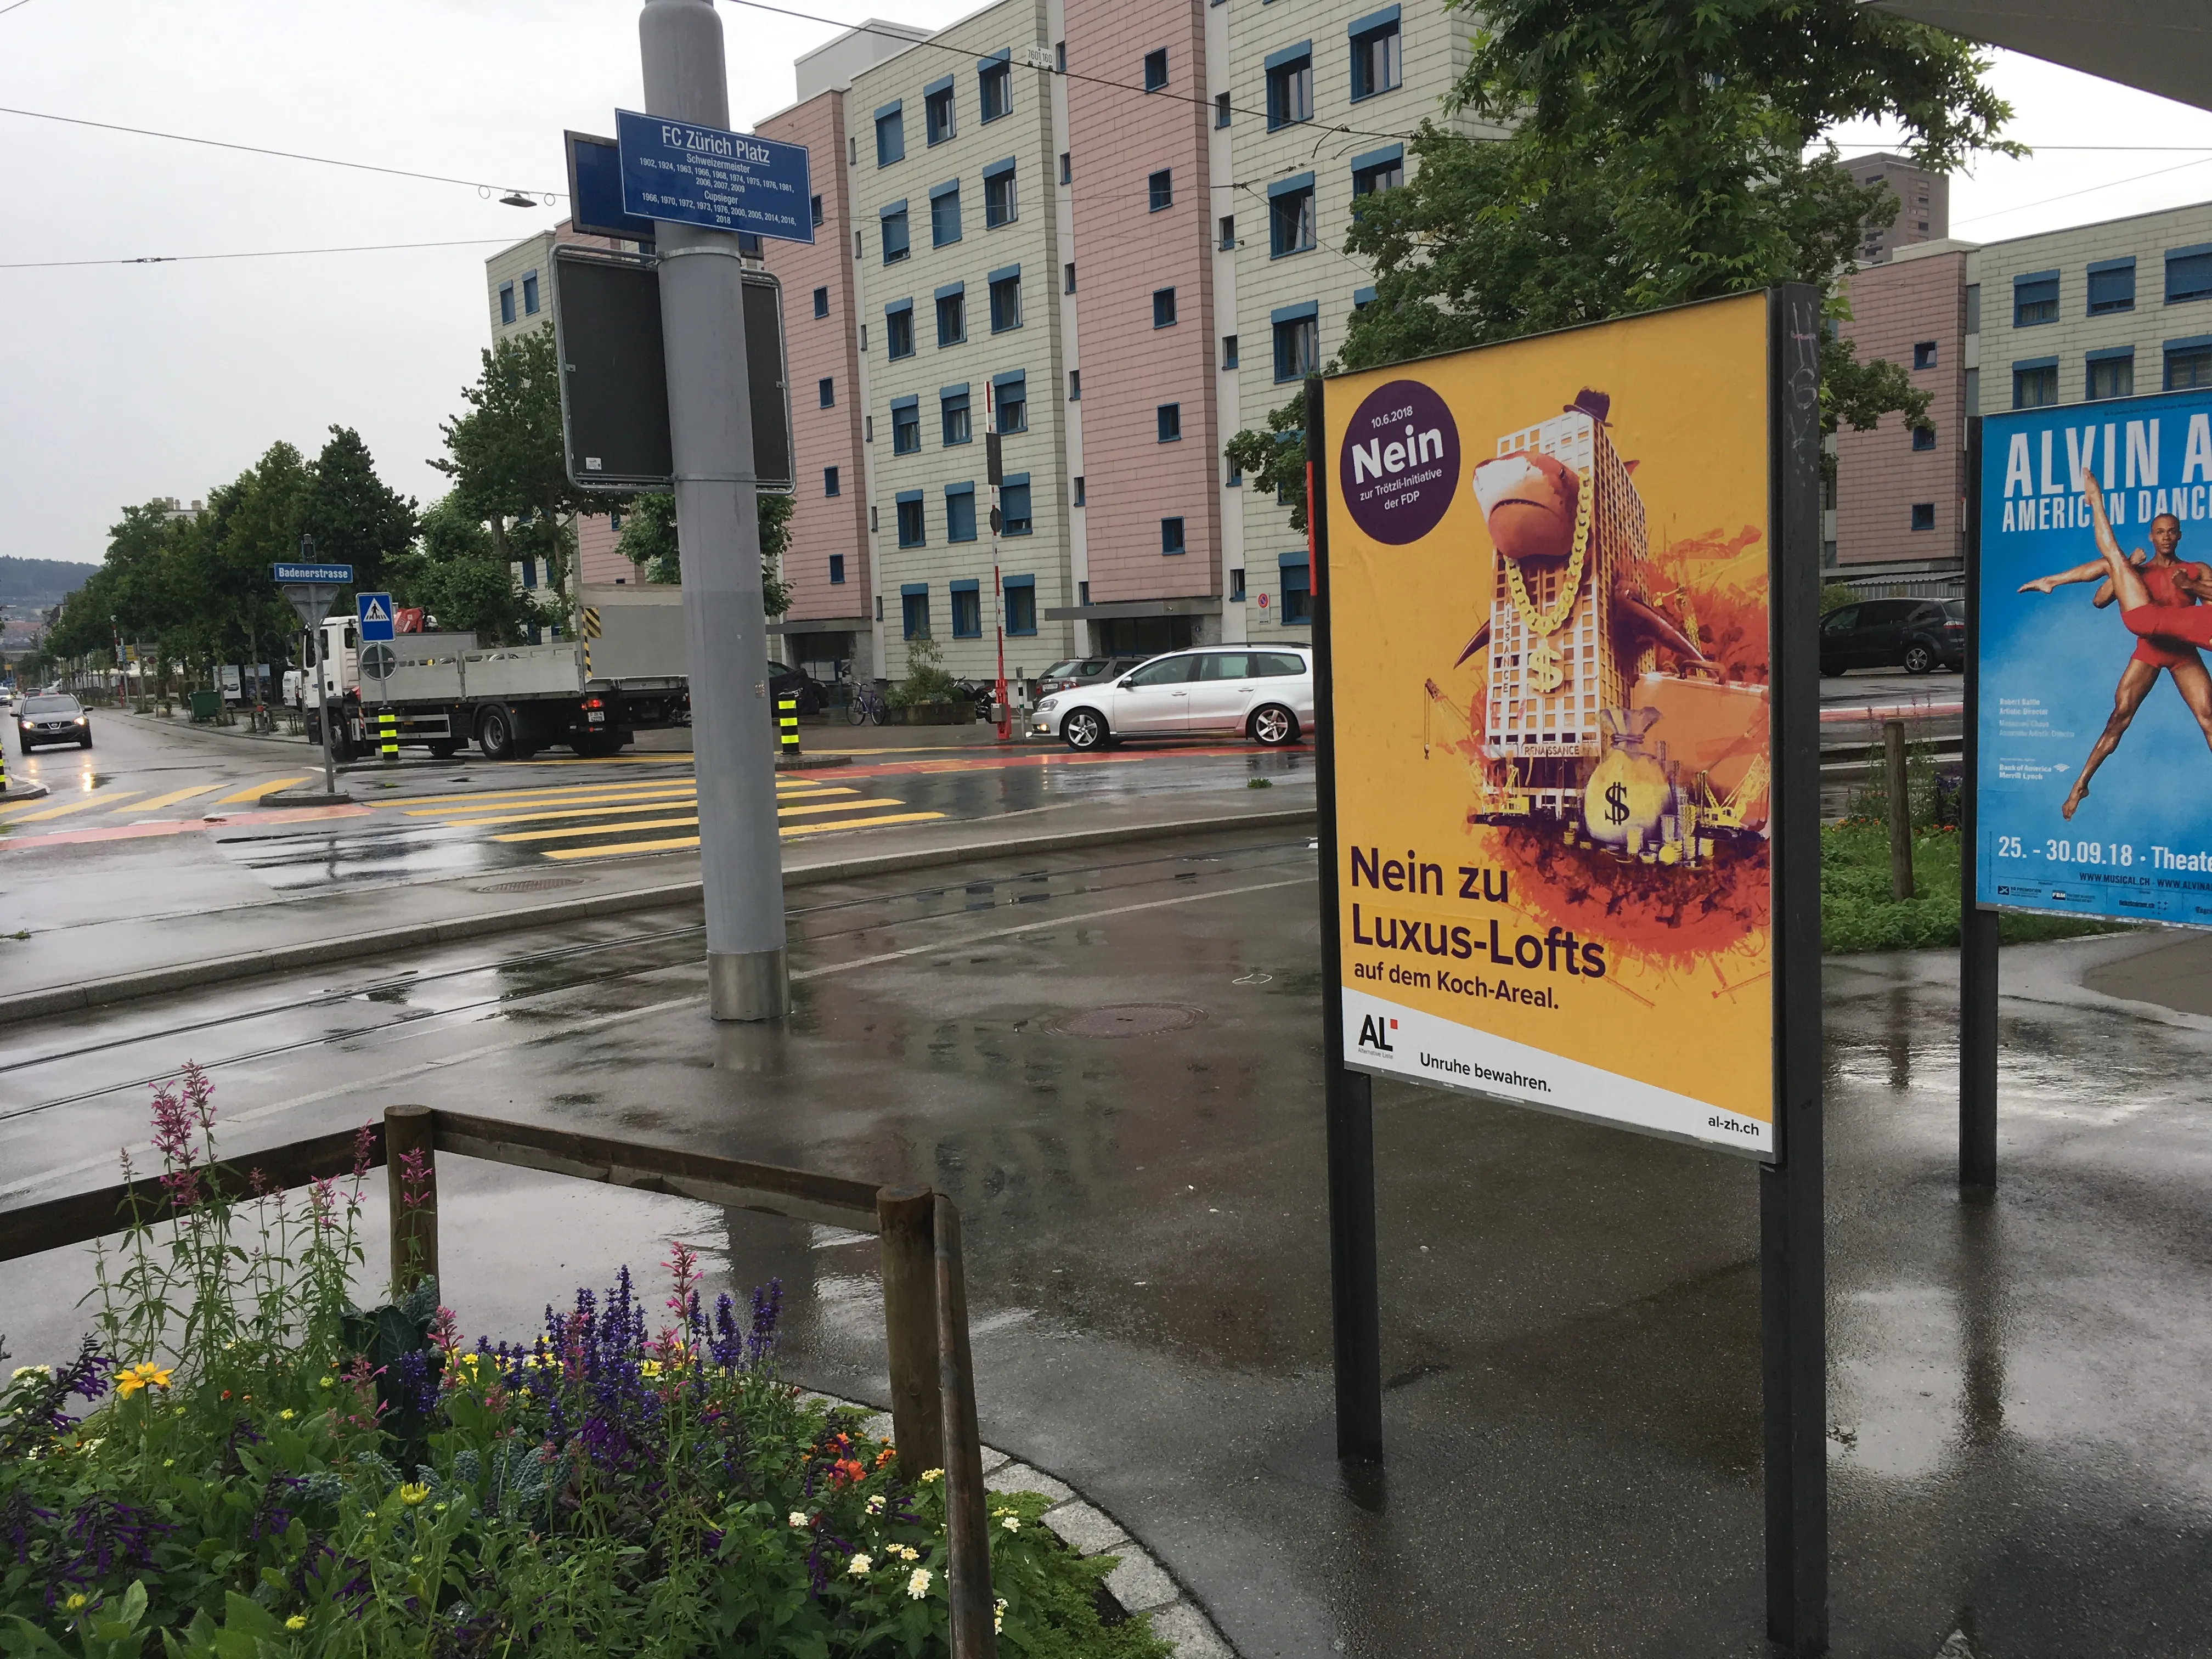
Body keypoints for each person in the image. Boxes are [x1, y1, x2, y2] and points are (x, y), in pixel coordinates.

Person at [2019, 478, 2212, 817]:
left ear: (2179, 535)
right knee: (2119, 718)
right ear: (2152, 537)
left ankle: (2054, 578)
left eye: (2172, 531)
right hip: (2150, 648)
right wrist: (2130, 569)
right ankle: (2081, 784)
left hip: (2182, 650)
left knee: (2209, 716)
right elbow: (2099, 600)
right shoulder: (2140, 572)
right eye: (2160, 532)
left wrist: (2190, 584)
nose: (2166, 537)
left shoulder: (2197, 569)